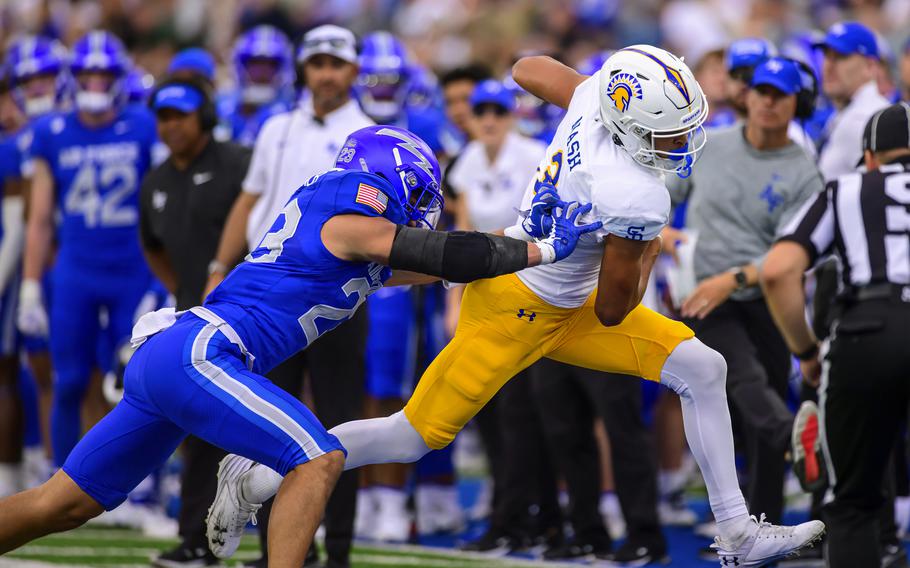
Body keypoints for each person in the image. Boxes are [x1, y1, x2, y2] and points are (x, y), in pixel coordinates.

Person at [210, 45, 826, 567]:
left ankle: (737, 530)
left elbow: (527, 67)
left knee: (704, 368)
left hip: (560, 293)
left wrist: (589, 96)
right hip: (518, 306)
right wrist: (644, 248)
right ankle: (259, 475)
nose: (681, 142)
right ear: (630, 123)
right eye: (667, 133)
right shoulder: (631, 193)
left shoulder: (596, 102)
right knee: (412, 435)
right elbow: (616, 311)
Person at [0, 124, 595, 568]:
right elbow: (444, 254)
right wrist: (543, 252)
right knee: (317, 458)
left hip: (180, 355)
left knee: (63, 504)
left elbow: (444, 265)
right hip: (203, 354)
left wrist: (523, 233)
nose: (425, 209)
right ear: (394, 176)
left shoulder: (355, 233)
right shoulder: (350, 201)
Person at [206, 23, 374, 567]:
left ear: (353, 70)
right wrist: (218, 266)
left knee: (340, 423)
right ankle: (275, 550)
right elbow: (249, 200)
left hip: (335, 298)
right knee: (265, 426)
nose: (326, 74)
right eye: (318, 63)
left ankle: (340, 549)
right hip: (269, 303)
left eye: (336, 63)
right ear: (303, 68)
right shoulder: (276, 126)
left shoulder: (369, 134)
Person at [666, 57, 824, 530]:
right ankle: (788, 432)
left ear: (798, 104)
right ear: (746, 96)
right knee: (745, 379)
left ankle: (767, 526)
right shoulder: (708, 144)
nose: (769, 102)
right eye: (761, 91)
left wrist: (731, 279)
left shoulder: (804, 173)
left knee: (761, 398)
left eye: (780, 93)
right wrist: (664, 234)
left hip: (768, 296)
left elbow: (794, 254)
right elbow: (664, 195)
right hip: (704, 296)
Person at [762, 102, 910, 568]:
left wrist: (805, 349)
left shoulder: (845, 189)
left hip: (869, 330)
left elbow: (779, 270)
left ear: (868, 157)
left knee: (852, 502)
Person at [17, 31, 158, 470]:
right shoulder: (51, 130)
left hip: (131, 269)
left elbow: (160, 207)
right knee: (70, 380)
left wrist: (161, 279)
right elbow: (39, 218)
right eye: (87, 75)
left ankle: (135, 489)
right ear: (73, 78)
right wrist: (31, 286)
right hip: (76, 269)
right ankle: (63, 478)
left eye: (104, 75)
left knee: (136, 384)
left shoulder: (142, 123)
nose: (95, 84)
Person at [138, 75, 251, 568]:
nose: (171, 126)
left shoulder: (238, 164)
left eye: (180, 115)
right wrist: (183, 291)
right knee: (196, 430)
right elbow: (152, 246)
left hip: (248, 314)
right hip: (193, 316)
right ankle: (196, 541)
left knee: (257, 428)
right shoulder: (157, 179)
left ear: (203, 116)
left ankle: (287, 546)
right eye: (163, 117)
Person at [817, 21, 890, 181]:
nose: (828, 66)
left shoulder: (862, 120)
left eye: (840, 57)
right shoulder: (853, 111)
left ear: (870, 67)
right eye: (827, 56)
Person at [217, 25, 295, 147]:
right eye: (255, 63)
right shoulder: (223, 103)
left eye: (270, 64)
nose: (261, 71)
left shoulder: (294, 107)